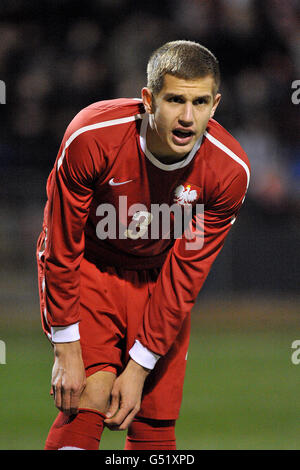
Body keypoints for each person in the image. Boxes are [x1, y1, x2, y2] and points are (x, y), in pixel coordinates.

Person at [36, 40, 250, 450]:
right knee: (90, 398)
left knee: (153, 421)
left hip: (158, 282)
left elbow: (185, 277)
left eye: (201, 102)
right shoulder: (92, 137)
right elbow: (61, 245)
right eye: (174, 100)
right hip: (92, 270)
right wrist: (65, 345)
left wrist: (139, 367)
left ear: (216, 104)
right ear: (149, 99)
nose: (188, 117)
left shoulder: (229, 171)